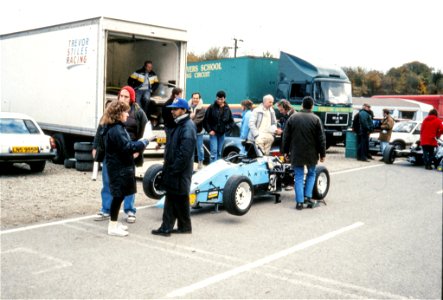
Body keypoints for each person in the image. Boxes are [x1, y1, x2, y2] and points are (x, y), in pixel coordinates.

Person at [94, 86, 148, 223]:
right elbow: (101, 128)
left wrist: (138, 151)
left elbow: (144, 133)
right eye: (121, 96)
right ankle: (106, 209)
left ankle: (129, 210)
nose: (123, 99)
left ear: (132, 99)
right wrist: (96, 146)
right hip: (111, 154)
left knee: (128, 184)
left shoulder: (139, 113)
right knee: (108, 182)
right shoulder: (110, 110)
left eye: (126, 97)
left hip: (128, 153)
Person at [152, 98, 197, 237]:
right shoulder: (181, 124)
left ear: (184, 110)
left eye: (175, 109)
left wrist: (173, 169)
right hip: (179, 169)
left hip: (178, 170)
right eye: (172, 109)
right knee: (181, 197)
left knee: (171, 198)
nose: (172, 111)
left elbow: (184, 153)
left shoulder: (187, 127)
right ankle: (185, 226)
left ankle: (166, 228)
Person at [282, 96, 326, 210]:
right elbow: (321, 138)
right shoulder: (316, 119)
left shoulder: (293, 118)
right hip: (312, 153)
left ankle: (299, 203)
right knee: (311, 174)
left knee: (299, 176)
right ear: (312, 106)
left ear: (302, 105)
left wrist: (285, 151)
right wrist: (322, 154)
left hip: (297, 152)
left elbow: (286, 137)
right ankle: (308, 197)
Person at [203, 90, 234, 163]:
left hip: (222, 133)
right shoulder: (211, 107)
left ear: (224, 99)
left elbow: (231, 122)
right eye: (218, 99)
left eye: (221, 99)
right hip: (213, 133)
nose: (219, 101)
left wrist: (225, 128)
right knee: (213, 151)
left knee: (220, 152)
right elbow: (205, 120)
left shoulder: (227, 109)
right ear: (216, 98)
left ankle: (218, 168)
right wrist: (209, 130)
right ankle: (212, 169)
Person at [188, 92, 206, 170]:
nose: (195, 100)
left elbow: (198, 120)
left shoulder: (202, 108)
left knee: (199, 148)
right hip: (189, 131)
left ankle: (200, 162)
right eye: (194, 98)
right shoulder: (187, 107)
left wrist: (189, 121)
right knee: (190, 148)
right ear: (192, 98)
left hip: (199, 131)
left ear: (199, 99)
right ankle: (190, 164)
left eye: (197, 98)